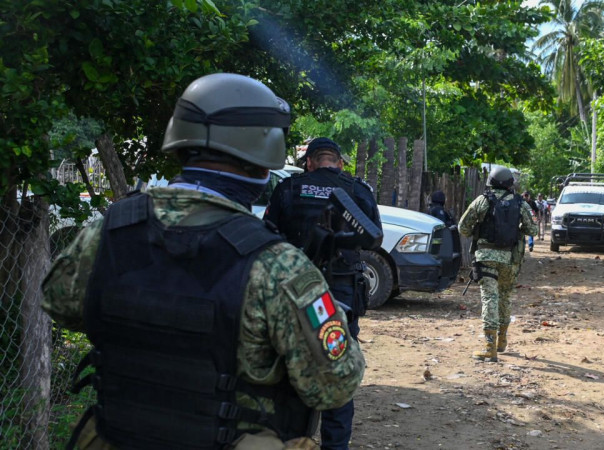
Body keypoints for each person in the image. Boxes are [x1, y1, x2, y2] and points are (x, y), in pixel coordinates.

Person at [41, 73, 365, 450]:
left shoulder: (109, 231)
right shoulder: (277, 266)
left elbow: (59, 304)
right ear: (263, 164)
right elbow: (335, 384)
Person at [265, 137, 381, 450]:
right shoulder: (359, 190)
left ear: (310, 161)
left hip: (295, 292)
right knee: (337, 367)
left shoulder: (290, 188)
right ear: (339, 162)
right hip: (341, 293)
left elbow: (268, 237)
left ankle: (292, 440)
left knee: (289, 368)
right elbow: (374, 238)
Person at [458, 167, 536, 362]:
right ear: (510, 183)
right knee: (505, 297)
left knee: (490, 298)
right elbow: (532, 229)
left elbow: (463, 228)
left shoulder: (482, 200)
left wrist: (479, 229)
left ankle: (489, 346)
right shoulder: (520, 203)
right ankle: (502, 340)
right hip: (510, 258)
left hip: (486, 257)